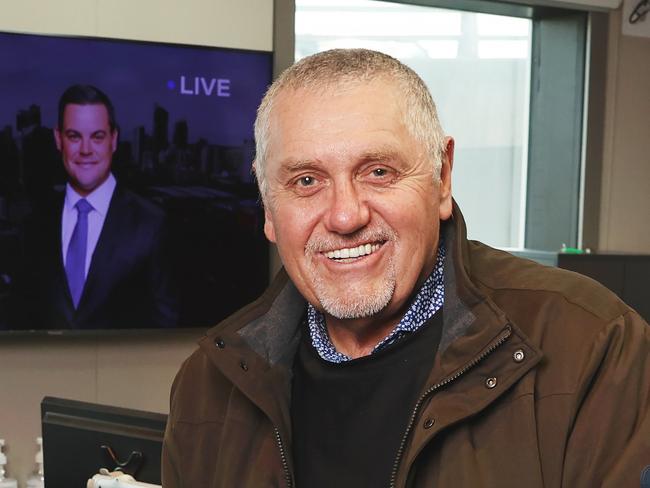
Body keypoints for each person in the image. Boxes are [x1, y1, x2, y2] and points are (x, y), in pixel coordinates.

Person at [162, 49, 650, 487]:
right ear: (269, 208)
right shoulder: (209, 385)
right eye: (307, 180)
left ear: (442, 178)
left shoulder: (592, 344)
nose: (346, 216)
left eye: (378, 172)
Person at [18, 84, 178, 329]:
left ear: (113, 140)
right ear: (58, 139)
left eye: (97, 136)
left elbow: (166, 324)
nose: (85, 149)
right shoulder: (34, 223)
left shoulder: (151, 223)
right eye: (74, 136)